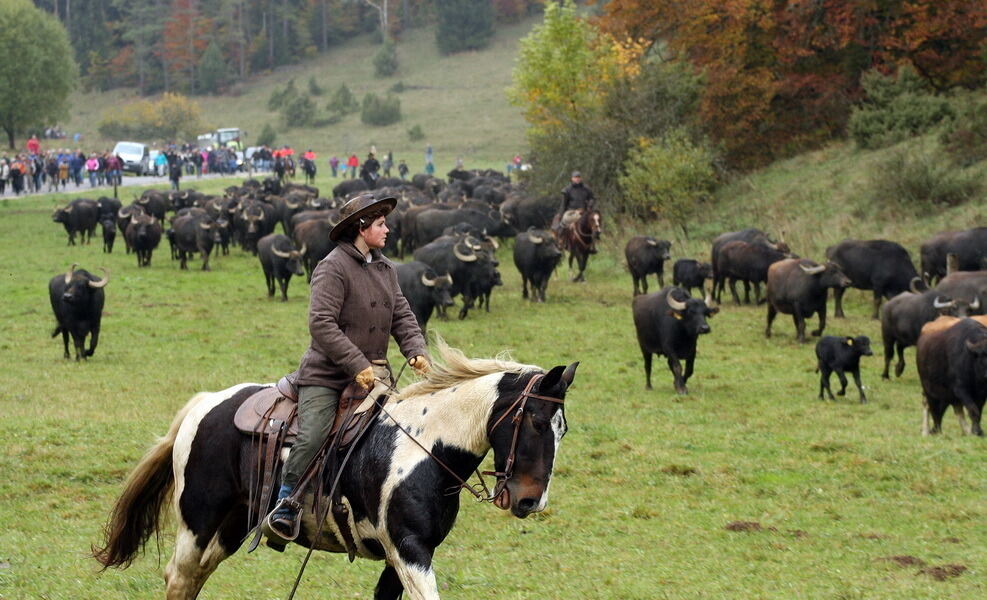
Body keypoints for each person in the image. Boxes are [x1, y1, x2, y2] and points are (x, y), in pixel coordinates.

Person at [265, 192, 430, 540]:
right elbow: (321, 323)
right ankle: (287, 501)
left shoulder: (386, 268)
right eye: (381, 224)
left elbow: (401, 313)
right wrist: (356, 363)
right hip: (327, 375)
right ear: (361, 227)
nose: (388, 230)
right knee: (313, 435)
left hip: (376, 376)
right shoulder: (332, 267)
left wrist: (415, 350)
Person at [553, 170, 596, 235]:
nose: (577, 179)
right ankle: (561, 237)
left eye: (578, 177)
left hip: (583, 211)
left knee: (595, 220)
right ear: (572, 178)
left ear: (581, 178)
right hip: (571, 212)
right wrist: (560, 214)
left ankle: (594, 237)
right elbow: (563, 204)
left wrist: (589, 205)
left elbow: (592, 198)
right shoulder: (567, 190)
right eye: (575, 177)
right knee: (565, 219)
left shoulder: (586, 188)